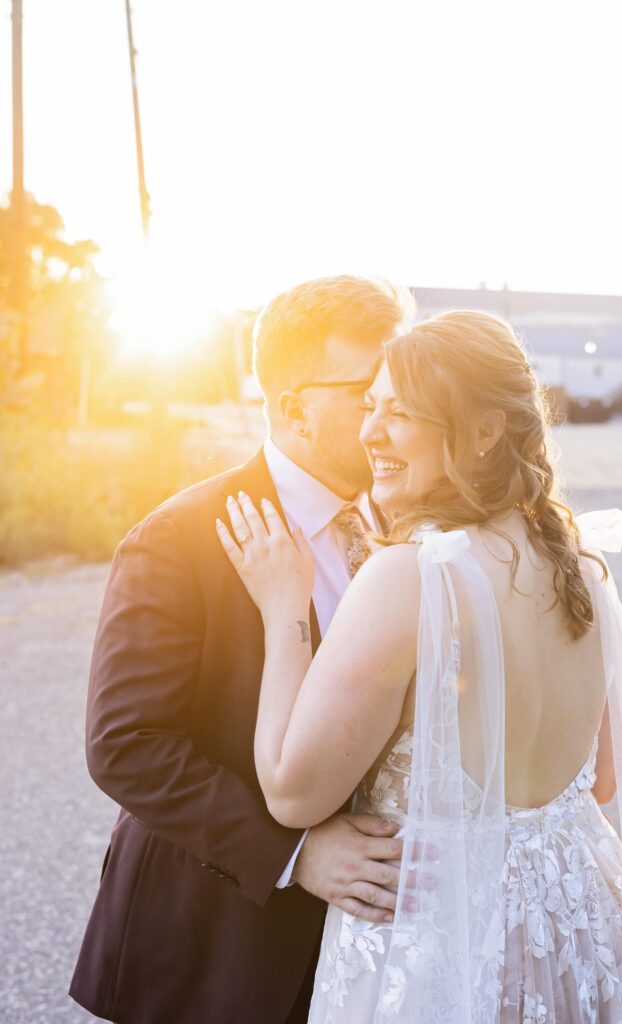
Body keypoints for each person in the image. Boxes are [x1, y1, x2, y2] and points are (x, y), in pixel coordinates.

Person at [217, 309, 622, 1022]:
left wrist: (283, 607)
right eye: (369, 407)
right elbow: (601, 779)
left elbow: (290, 792)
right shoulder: (580, 566)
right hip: (579, 928)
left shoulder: (408, 578)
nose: (371, 432)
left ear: (485, 430)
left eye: (399, 413)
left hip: (442, 943)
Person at [70, 275, 415, 1024]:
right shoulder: (178, 540)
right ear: (293, 405)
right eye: (369, 392)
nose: (395, 413)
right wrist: (296, 855)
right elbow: (126, 746)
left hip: (369, 950)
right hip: (218, 945)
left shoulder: (408, 526)